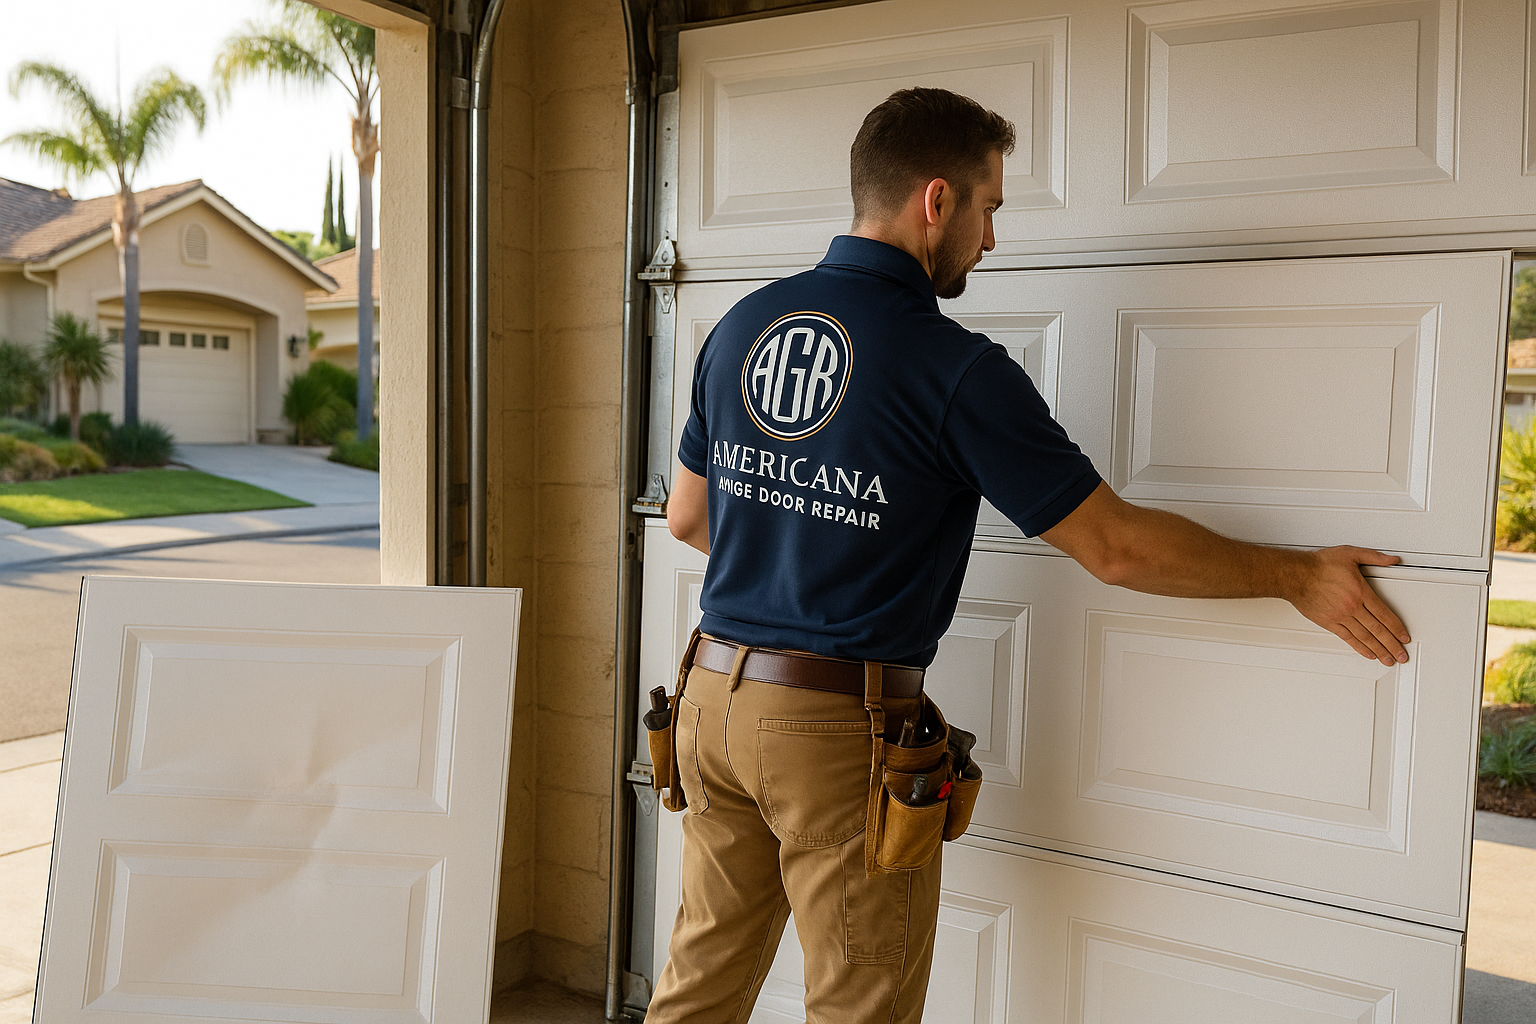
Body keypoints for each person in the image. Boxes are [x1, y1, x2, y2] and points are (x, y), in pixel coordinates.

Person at [644, 87, 1411, 1024]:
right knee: (858, 1008)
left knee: (698, 992)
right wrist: (1297, 577)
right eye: (989, 206)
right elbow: (1117, 548)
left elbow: (688, 518)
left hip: (710, 703)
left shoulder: (739, 327)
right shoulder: (953, 367)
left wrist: (799, 548)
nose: (991, 239)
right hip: (831, 732)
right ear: (937, 201)